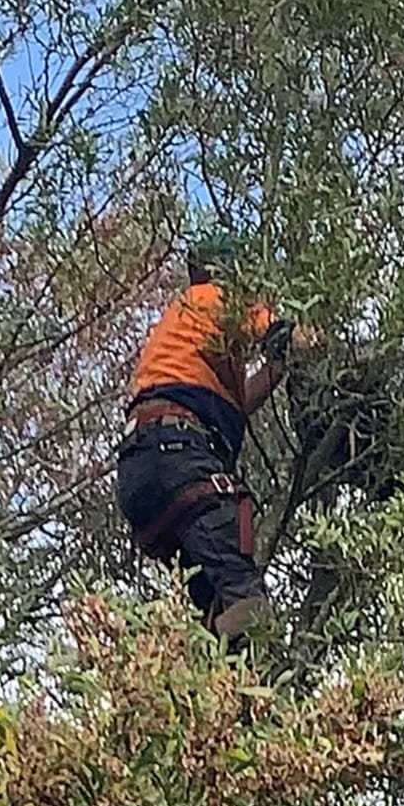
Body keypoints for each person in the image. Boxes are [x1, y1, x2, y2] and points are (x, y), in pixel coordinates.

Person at [115, 233, 314, 644]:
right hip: (181, 458)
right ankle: (192, 665)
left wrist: (279, 367)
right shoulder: (217, 297)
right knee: (250, 611)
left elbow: (236, 407)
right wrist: (323, 345)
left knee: (216, 612)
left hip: (145, 473)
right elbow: (283, 336)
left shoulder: (184, 329)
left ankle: (190, 683)